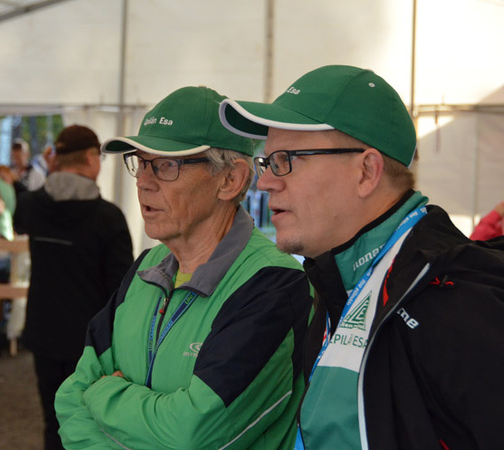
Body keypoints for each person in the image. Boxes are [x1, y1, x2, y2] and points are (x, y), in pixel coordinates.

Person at [219, 64, 504, 450]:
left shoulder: (454, 300)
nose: (266, 181)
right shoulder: (337, 282)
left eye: (286, 159)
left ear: (367, 172)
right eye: (266, 162)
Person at [55, 86, 312, 450]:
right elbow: (70, 400)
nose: (143, 182)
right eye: (140, 162)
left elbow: (192, 436)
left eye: (167, 165)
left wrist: (104, 393)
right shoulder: (147, 267)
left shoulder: (274, 285)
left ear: (231, 180)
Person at [14, 125, 134, 450]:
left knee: (53, 421)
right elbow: (122, 290)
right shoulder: (108, 218)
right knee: (91, 425)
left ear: (56, 159)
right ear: (92, 157)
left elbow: (19, 219)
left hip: (43, 332)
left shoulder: (30, 206)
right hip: (90, 342)